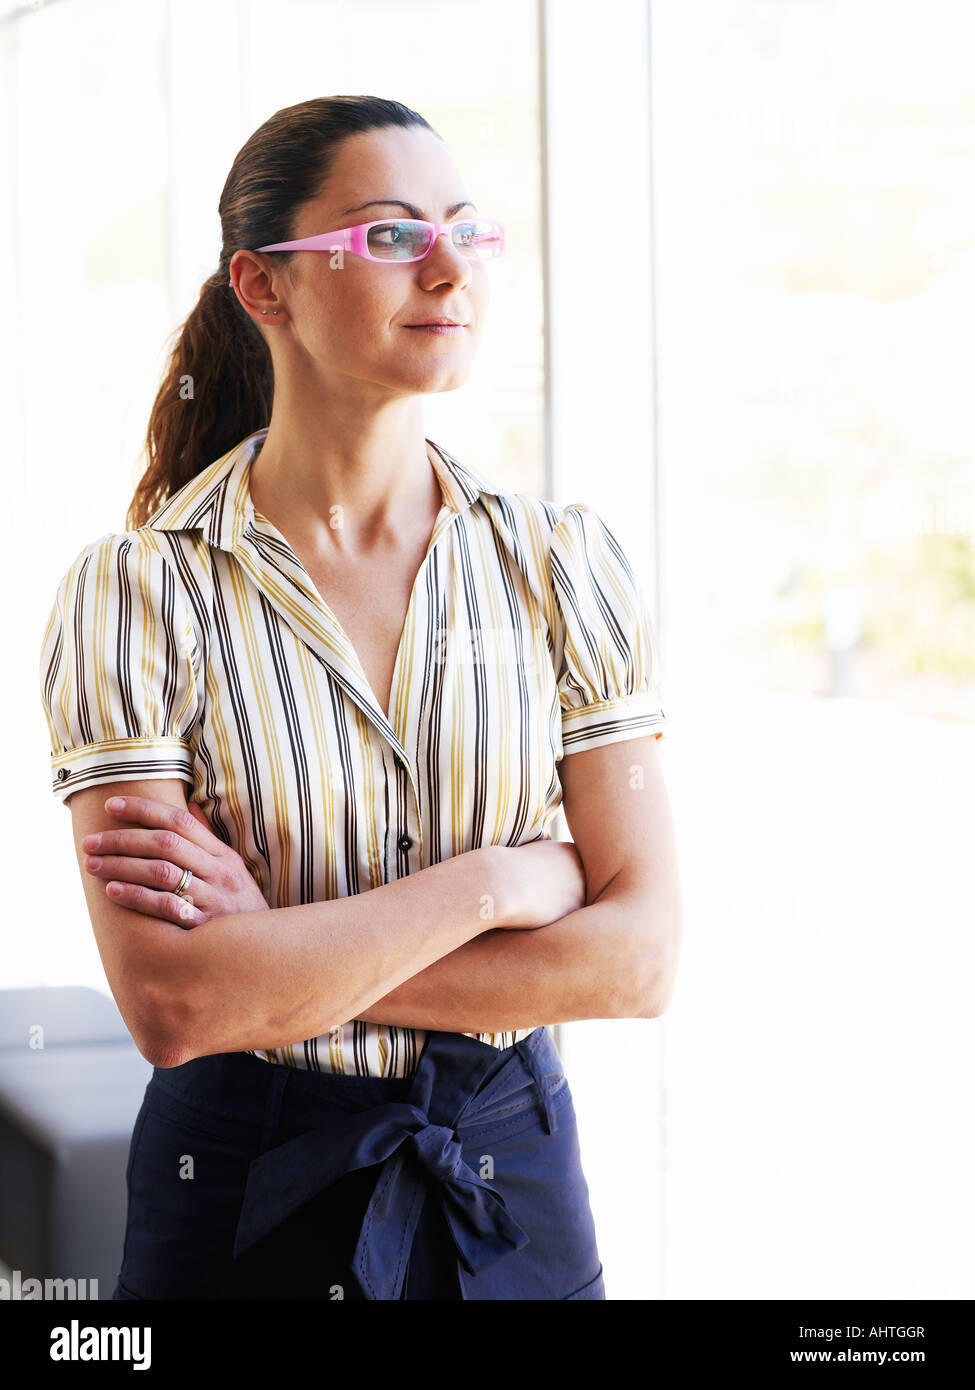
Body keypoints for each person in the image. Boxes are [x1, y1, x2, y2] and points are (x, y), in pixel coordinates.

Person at [38, 95, 682, 1300]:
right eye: (389, 236)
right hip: (237, 1187)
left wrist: (274, 956)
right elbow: (178, 1003)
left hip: (515, 1182)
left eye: (466, 230)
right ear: (264, 287)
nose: (448, 267)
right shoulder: (136, 593)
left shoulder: (562, 565)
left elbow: (638, 961)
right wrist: (500, 882)